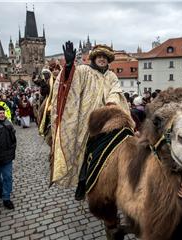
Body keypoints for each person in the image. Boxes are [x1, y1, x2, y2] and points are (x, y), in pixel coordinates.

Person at [49, 42, 130, 187]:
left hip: (107, 117)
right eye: (99, 56)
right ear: (93, 58)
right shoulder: (83, 71)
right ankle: (83, 180)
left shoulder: (112, 76)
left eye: (105, 57)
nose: (102, 59)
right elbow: (69, 82)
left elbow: (116, 91)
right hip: (86, 120)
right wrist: (68, 66)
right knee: (84, 149)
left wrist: (111, 104)